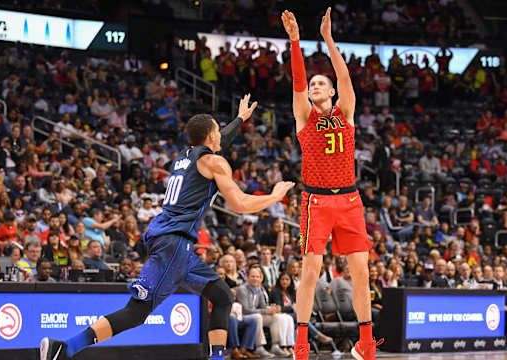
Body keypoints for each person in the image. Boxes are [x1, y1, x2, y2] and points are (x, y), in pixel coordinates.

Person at [40, 95, 294, 360]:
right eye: (218, 130)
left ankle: (217, 357)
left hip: (172, 243)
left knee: (222, 297)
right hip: (174, 245)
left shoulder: (183, 158)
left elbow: (217, 144)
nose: (221, 135)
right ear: (210, 136)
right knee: (137, 312)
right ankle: (65, 348)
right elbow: (240, 203)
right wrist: (275, 196)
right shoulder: (214, 162)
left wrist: (240, 119)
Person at [282, 9, 382, 359]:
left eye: (320, 83)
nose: (315, 86)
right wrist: (296, 42)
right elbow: (297, 80)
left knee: (361, 272)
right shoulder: (304, 116)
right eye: (313, 85)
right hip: (317, 202)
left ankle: (366, 342)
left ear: (332, 92)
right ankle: (301, 342)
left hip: (351, 201)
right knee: (310, 271)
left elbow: (344, 75)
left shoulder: (346, 112)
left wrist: (327, 39)